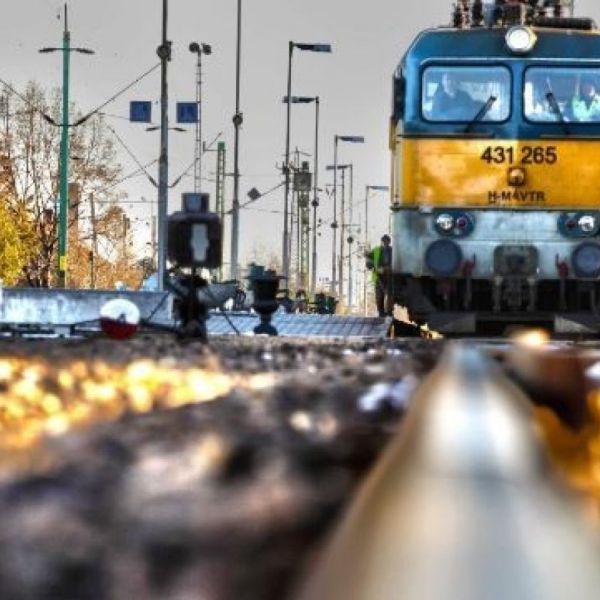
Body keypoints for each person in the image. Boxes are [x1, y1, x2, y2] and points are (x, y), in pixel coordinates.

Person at [367, 234, 393, 317]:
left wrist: (389, 268)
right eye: (384, 241)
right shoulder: (376, 251)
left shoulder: (393, 251)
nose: (385, 243)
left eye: (387, 241)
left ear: (389, 242)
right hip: (378, 277)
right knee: (379, 296)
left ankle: (389, 312)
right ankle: (381, 313)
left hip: (389, 277)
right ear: (382, 241)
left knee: (390, 295)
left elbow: (398, 263)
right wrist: (374, 267)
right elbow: (369, 263)